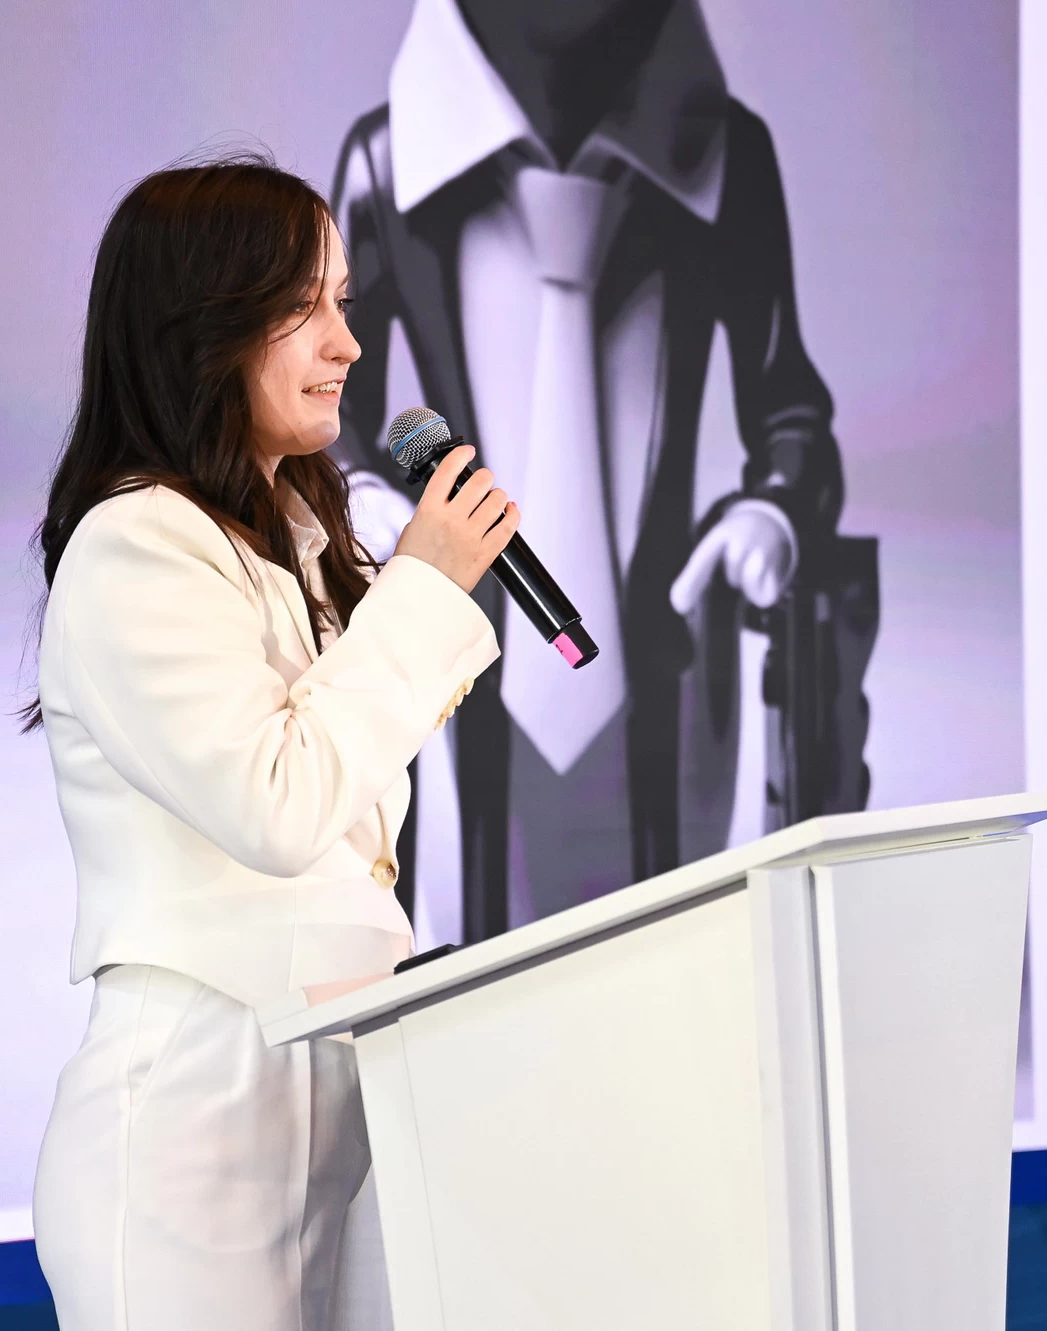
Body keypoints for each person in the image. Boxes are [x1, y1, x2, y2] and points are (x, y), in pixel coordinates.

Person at [23, 157, 516, 1331]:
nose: (348, 342)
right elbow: (278, 803)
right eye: (304, 306)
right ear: (203, 324)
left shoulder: (292, 546)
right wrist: (421, 589)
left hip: (340, 1111)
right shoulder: (135, 543)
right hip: (191, 1129)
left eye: (342, 300)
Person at [331, 0, 852, 940]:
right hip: (459, 629)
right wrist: (360, 497)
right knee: (471, 907)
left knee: (664, 920)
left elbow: (791, 406)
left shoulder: (730, 156)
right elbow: (334, 412)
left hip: (659, 641)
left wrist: (770, 514)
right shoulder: (386, 165)